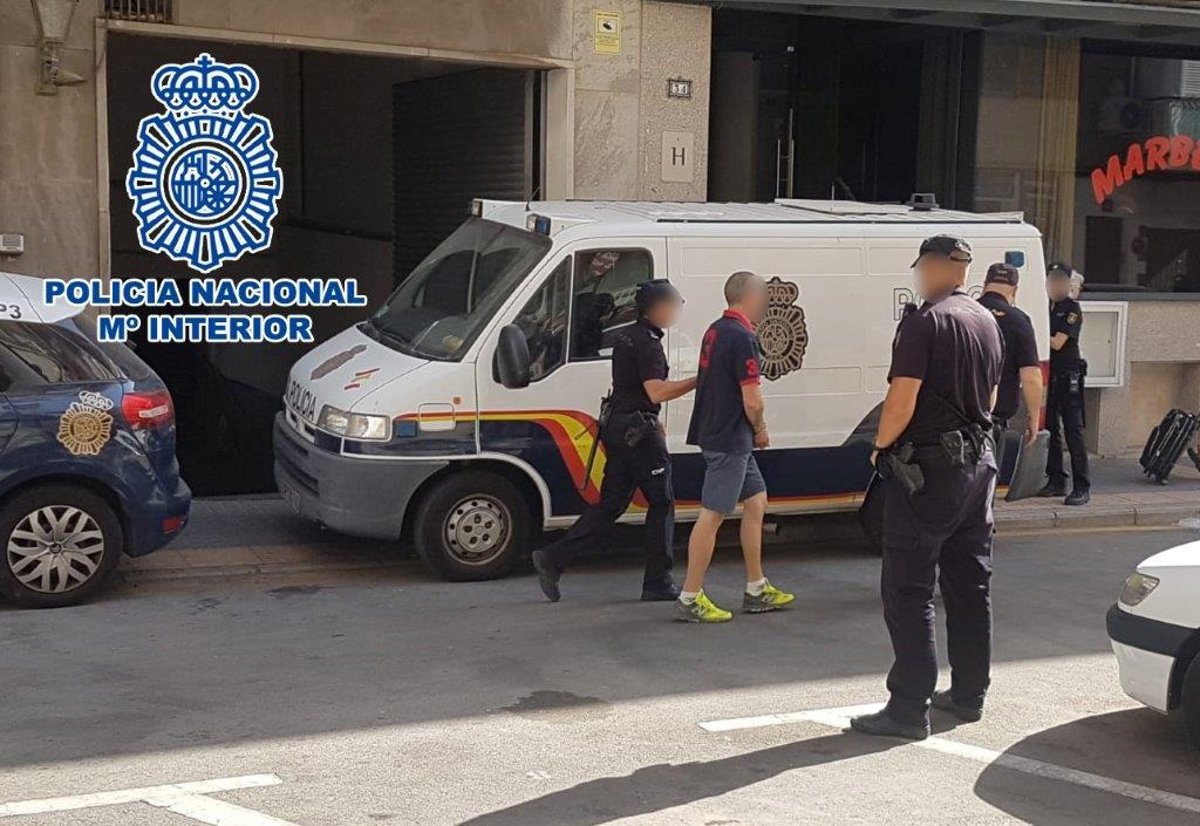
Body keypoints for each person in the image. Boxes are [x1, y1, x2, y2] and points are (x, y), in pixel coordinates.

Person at [850, 235, 1003, 741]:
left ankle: (908, 708)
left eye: (920, 268)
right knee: (969, 585)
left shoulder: (925, 321)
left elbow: (903, 396)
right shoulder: (986, 320)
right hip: (978, 465)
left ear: (935, 267)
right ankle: (969, 694)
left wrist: (881, 446)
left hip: (930, 471)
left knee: (908, 588)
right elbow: (990, 395)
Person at [531, 279, 696, 602]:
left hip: (619, 427)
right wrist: (699, 380)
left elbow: (630, 388)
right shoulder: (648, 343)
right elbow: (655, 391)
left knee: (610, 505)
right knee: (662, 503)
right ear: (657, 308)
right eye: (673, 305)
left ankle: (553, 558)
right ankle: (658, 581)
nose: (676, 312)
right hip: (640, 435)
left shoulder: (625, 336)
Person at [676, 271, 795, 623]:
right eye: (764, 297)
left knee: (756, 501)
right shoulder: (743, 337)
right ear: (752, 297)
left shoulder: (715, 330)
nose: (766, 304)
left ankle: (756, 587)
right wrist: (760, 428)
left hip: (719, 432)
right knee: (712, 514)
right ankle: (690, 596)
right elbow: (753, 400)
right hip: (731, 437)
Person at [1039, 263, 1090, 506]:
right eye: (1052, 279)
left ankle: (1082, 486)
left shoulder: (1071, 309)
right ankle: (1056, 480)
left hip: (1068, 376)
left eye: (1060, 280)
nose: (1055, 284)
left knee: (1073, 431)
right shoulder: (1046, 307)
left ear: (1068, 284)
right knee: (1051, 429)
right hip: (1050, 375)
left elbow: (1058, 343)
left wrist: (1035, 332)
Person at [977, 262, 1043, 447]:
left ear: (985, 284)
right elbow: (1031, 377)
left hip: (956, 421)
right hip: (994, 420)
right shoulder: (1018, 321)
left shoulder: (964, 312)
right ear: (1015, 290)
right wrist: (1034, 418)